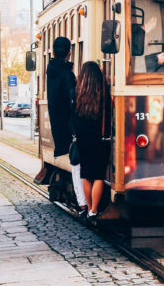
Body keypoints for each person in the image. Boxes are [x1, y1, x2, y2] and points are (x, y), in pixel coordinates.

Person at [46, 36, 87, 211]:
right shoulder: (66, 74)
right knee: (78, 164)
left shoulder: (52, 71)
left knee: (75, 163)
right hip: (70, 126)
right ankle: (83, 202)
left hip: (59, 126)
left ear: (54, 52)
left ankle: (83, 201)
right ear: (69, 53)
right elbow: (73, 101)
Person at [73, 61, 115, 221]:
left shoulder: (76, 93)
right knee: (98, 175)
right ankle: (94, 211)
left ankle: (88, 207)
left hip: (83, 140)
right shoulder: (103, 93)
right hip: (100, 139)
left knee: (86, 175)